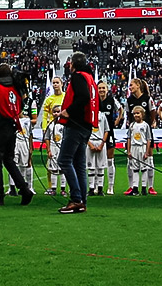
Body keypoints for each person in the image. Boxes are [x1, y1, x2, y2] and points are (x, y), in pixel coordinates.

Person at [0, 64, 34, 206]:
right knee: (9, 160)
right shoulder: (16, 88)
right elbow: (20, 106)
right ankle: (24, 189)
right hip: (12, 126)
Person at [55, 52, 97, 214]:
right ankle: (82, 200)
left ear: (73, 64)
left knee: (64, 160)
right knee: (79, 164)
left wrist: (68, 111)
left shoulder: (78, 76)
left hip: (76, 124)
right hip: (86, 125)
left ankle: (76, 198)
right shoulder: (90, 78)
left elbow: (82, 97)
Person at [126, 106, 153, 196]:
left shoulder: (145, 125)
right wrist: (129, 151)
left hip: (142, 147)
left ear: (142, 114)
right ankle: (135, 188)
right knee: (135, 169)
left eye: (138, 113)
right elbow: (129, 138)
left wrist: (147, 151)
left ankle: (144, 188)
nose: (136, 115)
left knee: (144, 168)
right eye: (134, 113)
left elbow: (149, 139)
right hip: (134, 148)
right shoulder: (132, 125)